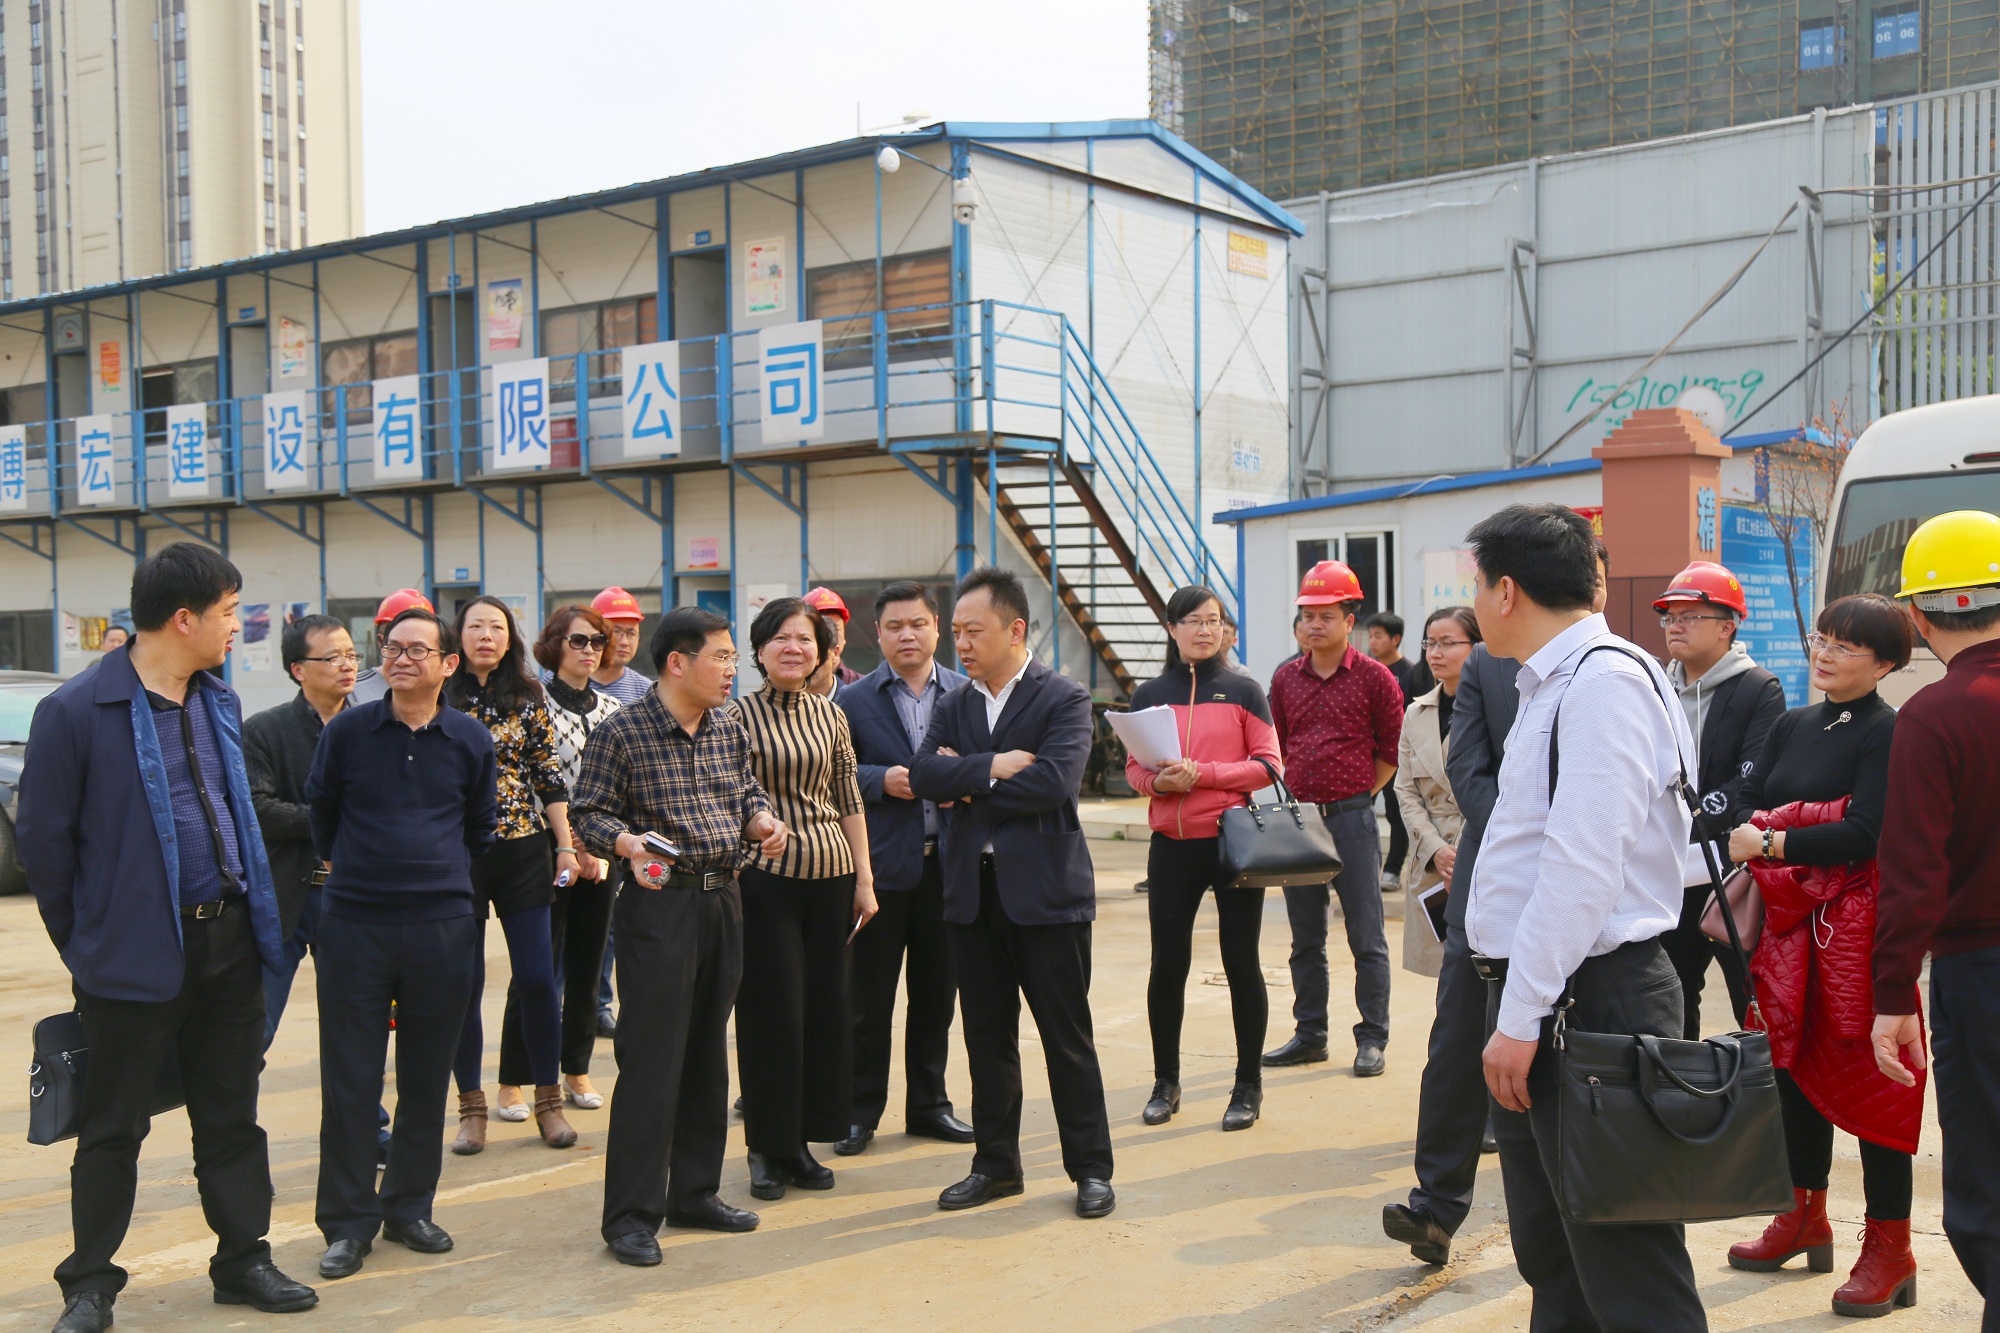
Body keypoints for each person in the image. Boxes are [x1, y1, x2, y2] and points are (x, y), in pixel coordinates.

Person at [20, 543, 316, 1332]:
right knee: (113, 1126)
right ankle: (89, 1286)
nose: (236, 626)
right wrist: (90, 946)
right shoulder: (77, 711)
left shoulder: (217, 699)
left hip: (229, 943)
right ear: (184, 619)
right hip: (131, 957)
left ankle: (243, 1259)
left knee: (231, 1115)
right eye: (229, 612)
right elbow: (45, 850)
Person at [1466, 502, 1706, 1330]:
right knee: (1555, 1256)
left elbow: (1581, 870)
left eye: (1476, 585)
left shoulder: (1604, 684)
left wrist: (1522, 1012)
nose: (1473, 603)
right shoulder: (1556, 681)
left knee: (1627, 1259)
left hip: (1589, 997)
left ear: (1506, 590)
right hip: (1550, 992)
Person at [1387, 543, 1606, 1271]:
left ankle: (1574, 1215)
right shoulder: (1487, 665)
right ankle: (1435, 1203)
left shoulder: (1607, 671)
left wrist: (1551, 840)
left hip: (1575, 898)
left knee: (1562, 1052)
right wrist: (1520, 830)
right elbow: (1468, 764)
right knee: (1456, 1040)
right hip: (1488, 884)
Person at [570, 606, 789, 1266]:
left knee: (705, 1054)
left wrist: (762, 822)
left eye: (732, 659)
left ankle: (695, 1192)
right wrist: (626, 842)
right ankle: (631, 1216)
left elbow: (745, 794)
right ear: (676, 663)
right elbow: (588, 812)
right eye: (720, 658)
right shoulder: (623, 731)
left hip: (724, 899)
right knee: (652, 1060)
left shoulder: (727, 728)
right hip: (659, 907)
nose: (731, 671)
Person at [1723, 593, 1921, 1318]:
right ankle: (1803, 1215)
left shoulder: (1887, 731)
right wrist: (1789, 829)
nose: (1825, 653)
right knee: (1790, 1069)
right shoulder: (1792, 723)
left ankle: (1891, 1248)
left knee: (1873, 1082)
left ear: (1886, 663)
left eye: (1845, 645)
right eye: (1822, 638)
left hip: (1854, 927)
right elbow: (1745, 801)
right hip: (1786, 922)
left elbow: (1866, 832)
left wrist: (1776, 838)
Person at [909, 566, 1115, 1219]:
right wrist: (993, 768)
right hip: (971, 894)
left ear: (1015, 628)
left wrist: (965, 781)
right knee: (986, 1037)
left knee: (1066, 1037)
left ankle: (1091, 1169)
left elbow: (1053, 784)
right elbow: (923, 776)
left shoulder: (1063, 698)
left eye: (974, 631)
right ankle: (996, 1165)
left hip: (1046, 895)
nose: (962, 644)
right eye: (957, 632)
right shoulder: (957, 701)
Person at [305, 606, 498, 1282]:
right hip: (354, 925)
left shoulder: (470, 738)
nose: (401, 658)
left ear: (449, 664)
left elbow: (479, 827)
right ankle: (346, 1223)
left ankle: (410, 1207)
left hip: (441, 929)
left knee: (425, 1075)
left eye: (418, 649)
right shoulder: (349, 731)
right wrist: (359, 870)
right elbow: (322, 813)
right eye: (392, 647)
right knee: (351, 1080)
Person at [1872, 509, 2000, 1330]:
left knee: (1987, 1184)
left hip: (1980, 975)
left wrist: (1893, 994)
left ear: (1917, 616)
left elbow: (1913, 872)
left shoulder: (1933, 715)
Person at [729, 597, 878, 1199]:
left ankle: (801, 1144)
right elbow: (727, 799)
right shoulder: (734, 716)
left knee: (825, 1013)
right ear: (759, 649)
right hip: (765, 881)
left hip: (832, 878)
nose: (794, 648)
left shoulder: (832, 716)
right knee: (772, 1014)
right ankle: (765, 1147)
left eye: (806, 639)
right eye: (781, 638)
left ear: (822, 652)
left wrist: (865, 879)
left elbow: (849, 798)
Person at [1126, 585, 1283, 1132]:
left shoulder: (1244, 691)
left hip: (1233, 842)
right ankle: (1165, 1083)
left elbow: (1269, 765)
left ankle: (1248, 1084)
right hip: (1172, 846)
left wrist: (1205, 774)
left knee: (1241, 962)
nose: (1205, 630)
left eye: (1214, 620)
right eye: (1193, 620)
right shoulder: (1150, 694)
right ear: (1171, 628)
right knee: (1167, 965)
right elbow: (1134, 769)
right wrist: (1159, 783)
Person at [833, 580, 974, 1156]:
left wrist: (962, 773)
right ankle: (858, 1111)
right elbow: (832, 774)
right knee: (867, 1001)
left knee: (936, 998)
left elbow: (988, 764)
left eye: (918, 624)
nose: (907, 635)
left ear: (937, 628)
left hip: (950, 869)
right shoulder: (852, 701)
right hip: (881, 872)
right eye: (894, 626)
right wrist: (879, 780)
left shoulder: (966, 693)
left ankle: (929, 1105)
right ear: (878, 633)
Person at [445, 597, 580, 1154]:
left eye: (496, 627)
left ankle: (548, 1101)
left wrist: (565, 846)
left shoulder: (527, 695)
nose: (485, 635)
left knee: (537, 979)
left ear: (509, 638)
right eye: (475, 626)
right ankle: (472, 1108)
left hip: (523, 849)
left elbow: (548, 776)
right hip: (456, 854)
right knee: (464, 983)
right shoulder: (439, 694)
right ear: (457, 636)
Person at [1263, 560, 1401, 1076]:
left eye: (1326, 615)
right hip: (1298, 822)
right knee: (1306, 938)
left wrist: (1357, 794)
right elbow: (1275, 745)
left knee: (1366, 935)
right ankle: (1310, 1034)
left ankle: (1372, 1038)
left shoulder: (1375, 677)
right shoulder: (1285, 678)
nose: (1315, 624)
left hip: (1351, 820)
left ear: (1349, 621)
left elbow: (1391, 749)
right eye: (1308, 615)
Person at [1654, 560, 1785, 1039]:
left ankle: (1765, 1083)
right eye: (1670, 617)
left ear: (1727, 627)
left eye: (1690, 617)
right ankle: (1678, 1082)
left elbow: (1751, 780)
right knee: (1671, 995)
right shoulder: (1655, 684)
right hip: (1666, 868)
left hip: (1731, 868)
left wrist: (1688, 817)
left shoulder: (1758, 688)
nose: (1676, 626)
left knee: (1750, 995)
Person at [499, 606, 621, 1114]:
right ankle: (514, 1077)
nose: (590, 650)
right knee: (535, 969)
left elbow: (616, 784)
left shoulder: (614, 708)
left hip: (601, 852)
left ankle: (576, 1069)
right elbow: (530, 781)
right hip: (543, 849)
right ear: (554, 645)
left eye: (597, 641)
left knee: (588, 967)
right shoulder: (533, 703)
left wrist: (597, 847)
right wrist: (570, 842)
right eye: (578, 640)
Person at [245, 614, 359, 1045]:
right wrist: (333, 821)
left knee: (354, 1020)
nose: (346, 665)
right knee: (257, 1022)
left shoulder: (372, 727)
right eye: (332, 657)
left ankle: (357, 1095)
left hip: (352, 894)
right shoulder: (264, 730)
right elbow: (257, 809)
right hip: (285, 894)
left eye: (352, 655)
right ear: (298, 669)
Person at [1392, 608, 1482, 980]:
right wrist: (1435, 849)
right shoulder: (1416, 713)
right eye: (1430, 643)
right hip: (1431, 859)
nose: (1435, 653)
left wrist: (1459, 853)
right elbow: (1405, 790)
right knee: (1445, 978)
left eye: (1447, 643)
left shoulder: (1494, 707)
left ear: (1477, 646)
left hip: (1478, 852)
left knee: (1481, 970)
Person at [1367, 610, 1415, 891]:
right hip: (1369, 754)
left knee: (1397, 813)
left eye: (1378, 636)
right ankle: (1364, 869)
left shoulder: (1409, 673)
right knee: (1363, 810)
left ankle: (1393, 870)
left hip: (1399, 755)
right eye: (1370, 635)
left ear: (1395, 639)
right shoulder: (1369, 671)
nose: (1372, 641)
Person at [349, 588, 434, 706]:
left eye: (417, 648)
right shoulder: (354, 689)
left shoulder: (443, 687)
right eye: (395, 645)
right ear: (381, 641)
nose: (403, 660)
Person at [588, 586, 655, 706]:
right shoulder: (562, 684)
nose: (624, 642)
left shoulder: (647, 693)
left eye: (631, 633)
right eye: (616, 632)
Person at [804, 586, 865, 694]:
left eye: (835, 629)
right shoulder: (786, 688)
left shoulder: (863, 687)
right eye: (822, 629)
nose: (829, 636)